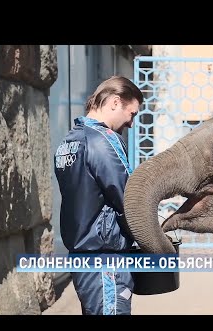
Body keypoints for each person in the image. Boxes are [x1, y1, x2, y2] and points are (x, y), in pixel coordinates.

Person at [54, 76, 143, 315]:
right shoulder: (104, 140)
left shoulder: (68, 142)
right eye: (132, 114)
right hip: (106, 260)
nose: (131, 124)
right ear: (115, 102)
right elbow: (129, 198)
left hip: (82, 259)